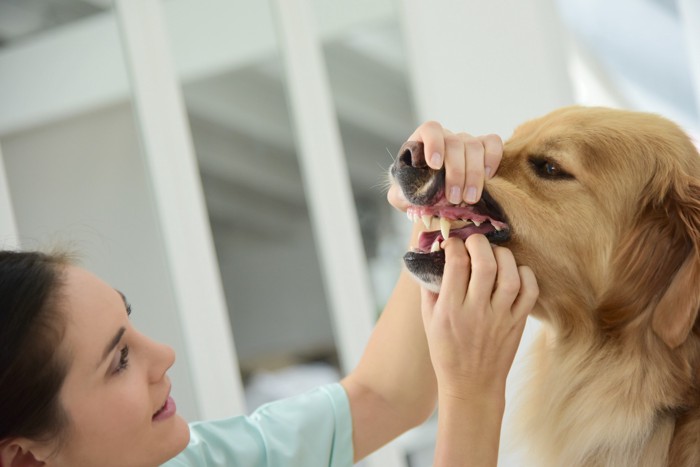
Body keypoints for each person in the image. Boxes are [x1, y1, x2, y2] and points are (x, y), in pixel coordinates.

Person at [0, 122, 538, 467]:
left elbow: (383, 398)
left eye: (130, 322)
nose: (163, 356)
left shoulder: (199, 458)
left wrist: (430, 209)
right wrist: (473, 393)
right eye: (118, 360)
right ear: (25, 457)